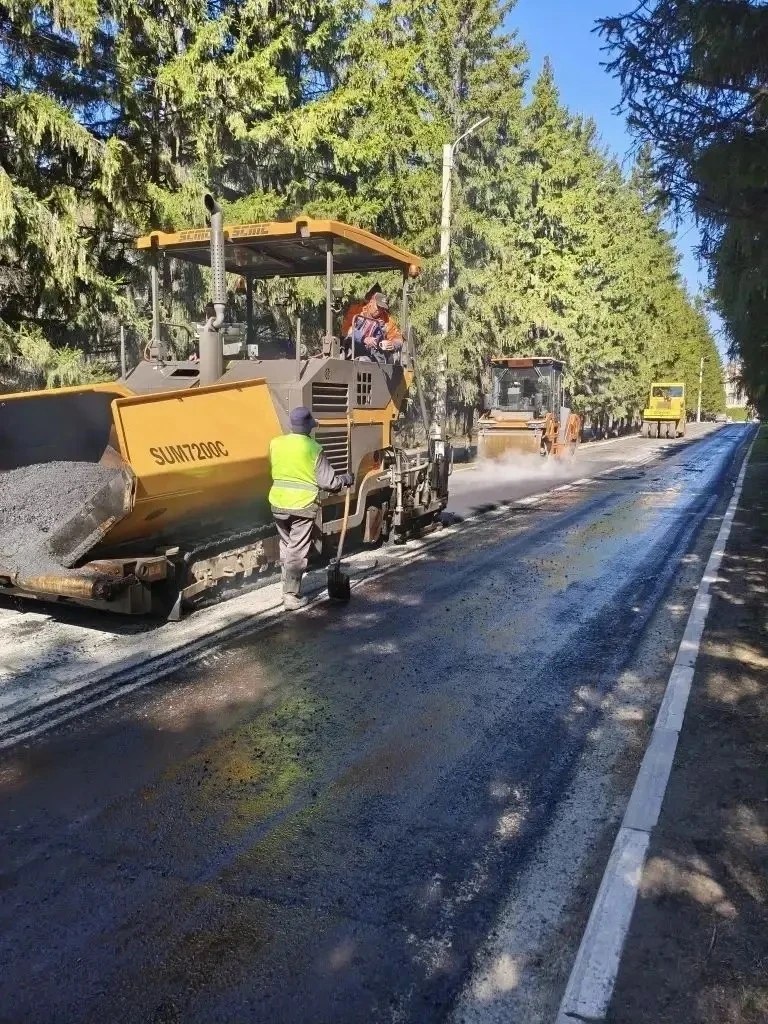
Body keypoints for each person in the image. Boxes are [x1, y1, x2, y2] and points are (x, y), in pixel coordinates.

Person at [268, 406, 354, 610]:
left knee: (287, 545)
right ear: (308, 427)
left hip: (278, 503)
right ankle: (291, 596)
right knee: (297, 550)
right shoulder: (314, 449)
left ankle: (286, 586)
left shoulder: (275, 443)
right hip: (302, 505)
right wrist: (345, 479)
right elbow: (329, 483)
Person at [342, 288, 403, 361]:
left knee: (366, 360)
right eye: (378, 306)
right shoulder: (357, 310)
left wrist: (392, 344)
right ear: (371, 302)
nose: (380, 310)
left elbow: (398, 338)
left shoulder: (387, 320)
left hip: (374, 355)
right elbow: (346, 330)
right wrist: (364, 339)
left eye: (382, 308)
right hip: (353, 349)